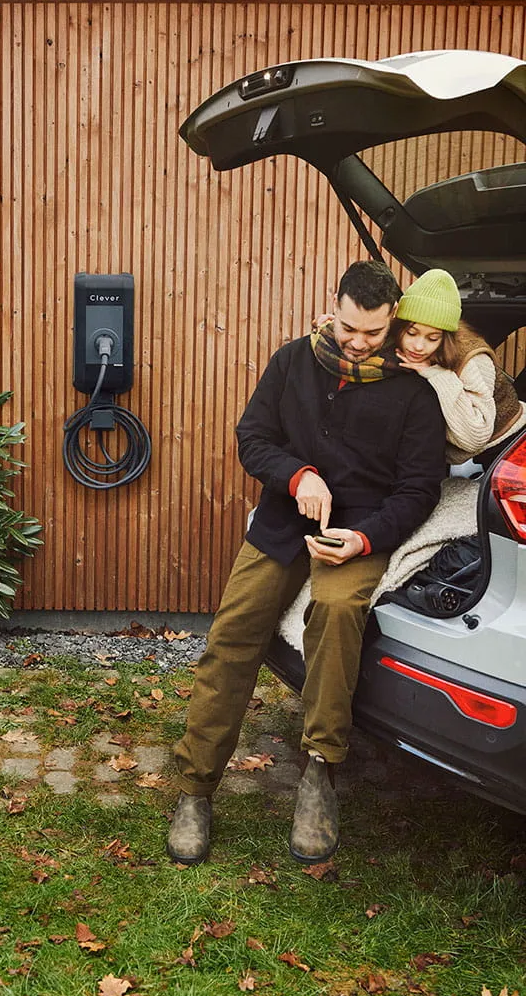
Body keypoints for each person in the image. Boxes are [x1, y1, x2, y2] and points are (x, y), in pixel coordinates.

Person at [167, 260, 446, 867]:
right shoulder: (292, 360)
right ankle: (195, 788)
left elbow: (419, 489)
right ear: (334, 306)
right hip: (282, 521)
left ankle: (320, 773)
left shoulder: (415, 393)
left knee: (339, 615)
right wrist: (297, 475)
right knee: (232, 635)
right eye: (350, 327)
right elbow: (253, 437)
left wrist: (365, 539)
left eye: (373, 333)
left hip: (358, 533)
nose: (358, 341)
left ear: (392, 320)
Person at [394, 268, 526, 470]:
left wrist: (436, 374)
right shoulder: (397, 346)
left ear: (446, 337)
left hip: (510, 443)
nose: (418, 346)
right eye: (412, 333)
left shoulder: (472, 358)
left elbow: (475, 436)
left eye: (432, 338)